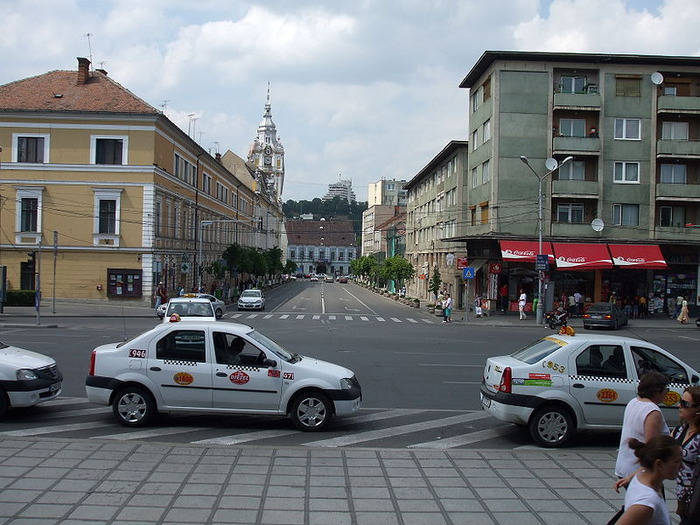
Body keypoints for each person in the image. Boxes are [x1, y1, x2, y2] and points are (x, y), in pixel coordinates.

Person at [615, 371, 670, 480]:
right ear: (657, 391)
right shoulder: (652, 411)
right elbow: (652, 447)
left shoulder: (634, 402)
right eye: (666, 390)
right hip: (639, 471)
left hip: (624, 465)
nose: (666, 393)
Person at [615, 435, 682, 525]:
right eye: (677, 461)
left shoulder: (642, 475)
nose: (682, 466)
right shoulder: (647, 503)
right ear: (659, 464)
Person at [671, 386, 700, 522]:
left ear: (698, 410)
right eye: (680, 401)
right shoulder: (680, 430)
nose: (679, 406)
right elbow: (659, 454)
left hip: (697, 499)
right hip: (684, 497)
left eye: (684, 404)